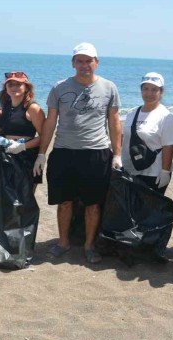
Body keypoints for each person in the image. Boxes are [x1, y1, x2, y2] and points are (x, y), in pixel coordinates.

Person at [34, 42, 122, 264]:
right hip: (64, 152)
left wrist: (117, 154)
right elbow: (50, 121)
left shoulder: (109, 87)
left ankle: (89, 245)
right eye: (80, 61)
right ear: (73, 63)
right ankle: (63, 242)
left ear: (96, 62)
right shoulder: (59, 87)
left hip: (96, 153)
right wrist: (42, 153)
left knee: (93, 204)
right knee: (64, 202)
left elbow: (114, 122)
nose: (84, 65)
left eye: (88, 61)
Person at [121, 72, 173, 193]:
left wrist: (165, 171)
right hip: (130, 169)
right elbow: (125, 137)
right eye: (145, 89)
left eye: (154, 89)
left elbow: (168, 146)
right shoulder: (132, 113)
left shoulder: (166, 117)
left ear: (161, 92)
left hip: (153, 173)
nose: (149, 93)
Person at [0, 71, 46, 192]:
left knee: (25, 198)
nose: (14, 87)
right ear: (6, 88)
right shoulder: (4, 107)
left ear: (26, 88)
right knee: (4, 198)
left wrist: (23, 146)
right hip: (5, 155)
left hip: (27, 158)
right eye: (10, 84)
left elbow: (44, 136)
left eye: (18, 84)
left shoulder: (32, 108)